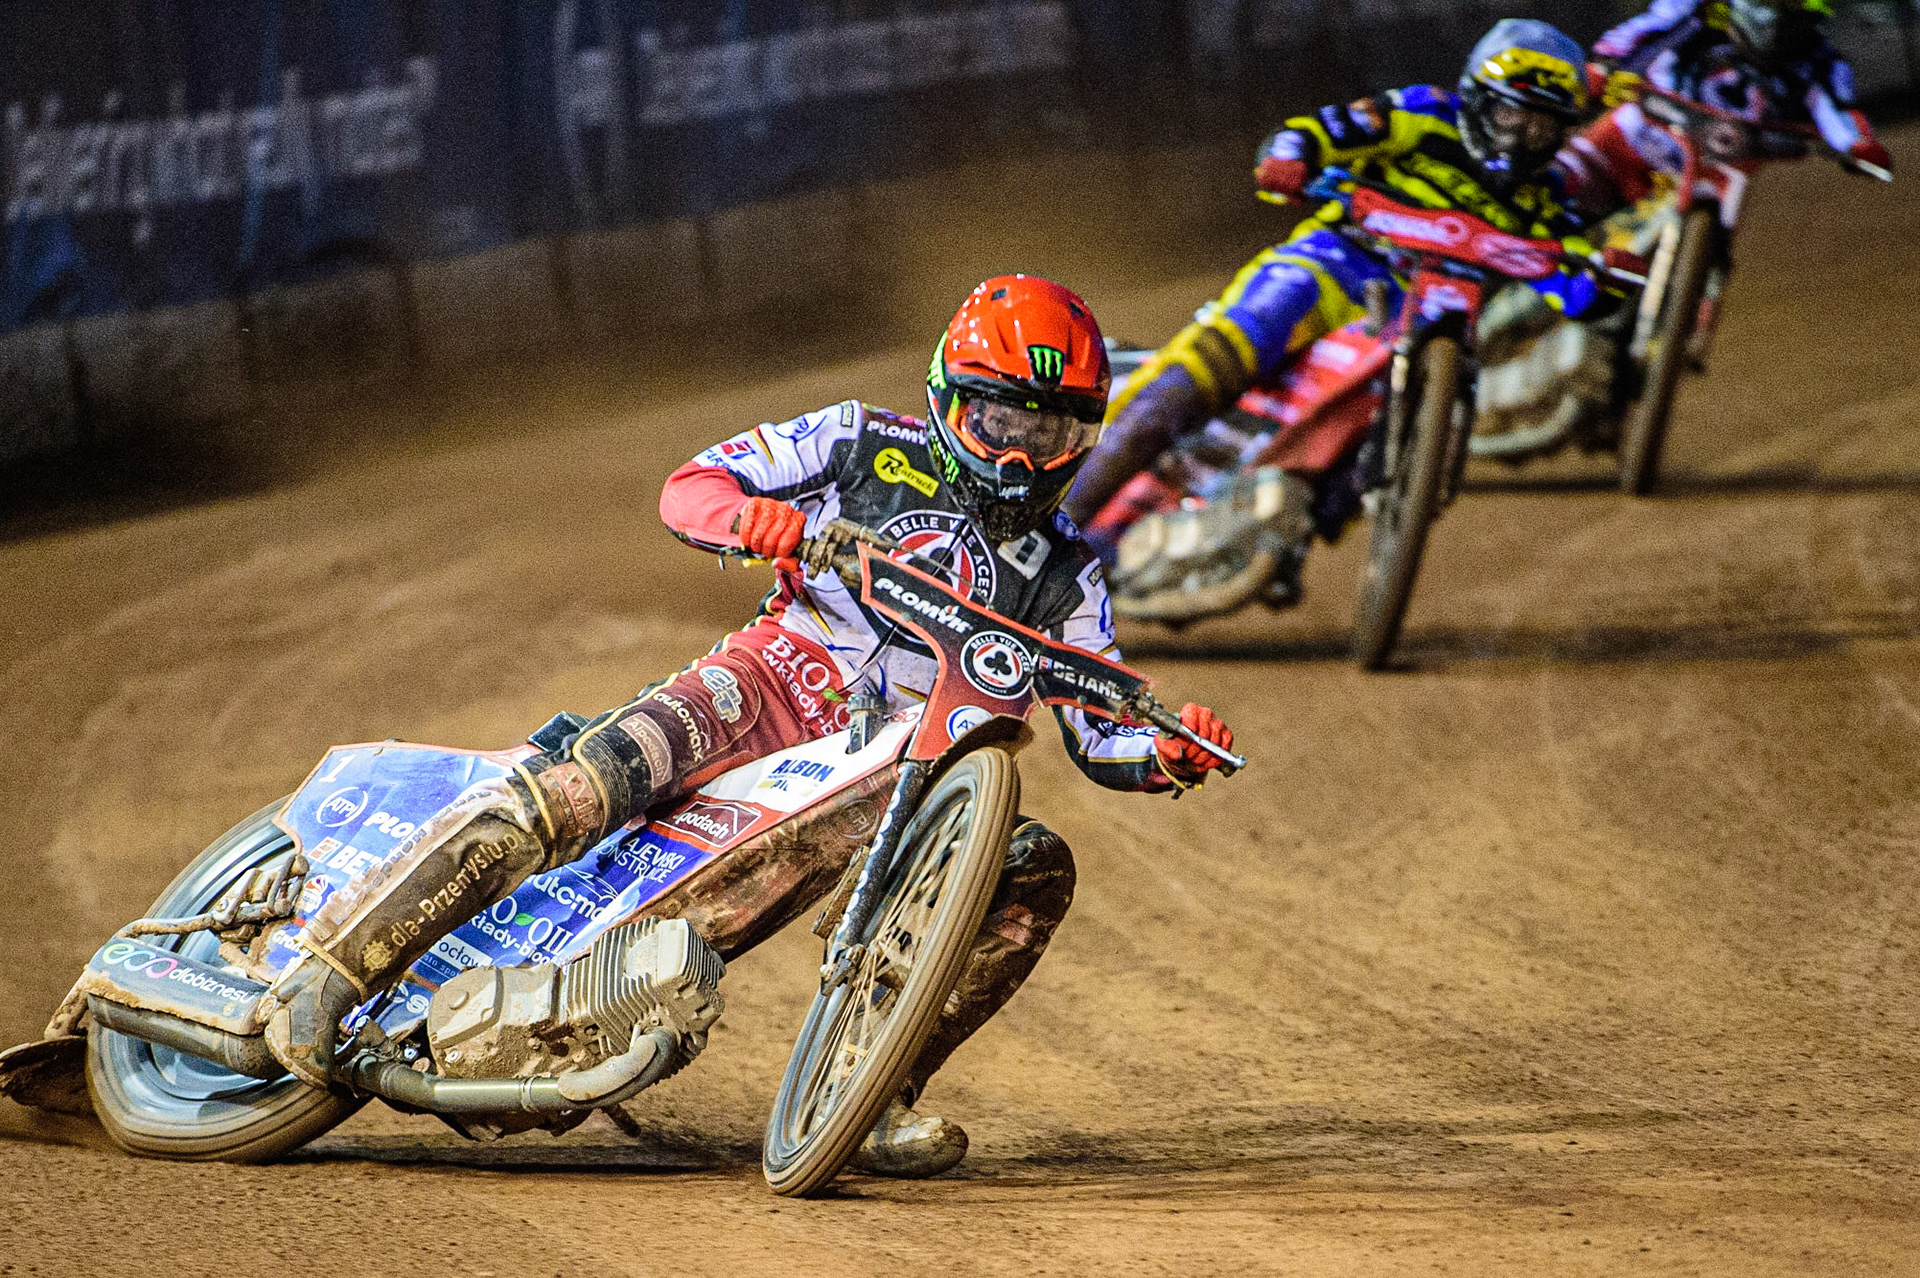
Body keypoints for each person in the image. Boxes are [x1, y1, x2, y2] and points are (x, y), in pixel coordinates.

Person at [261, 275, 1237, 1178]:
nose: (1020, 456)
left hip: (890, 781)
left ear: (1087, 437)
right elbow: (692, 489)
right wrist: (770, 526)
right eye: (996, 422)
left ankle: (876, 1091)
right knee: (584, 784)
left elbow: (1102, 726)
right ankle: (331, 977)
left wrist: (1165, 754)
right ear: (948, 400)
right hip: (769, 684)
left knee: (1032, 865)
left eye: (1050, 433)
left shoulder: (1069, 575)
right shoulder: (860, 444)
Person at [1063, 19, 1599, 567]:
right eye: (1512, 113)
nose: (1520, 136)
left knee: (1348, 475)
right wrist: (1291, 157)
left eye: (1541, 126)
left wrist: (1601, 280)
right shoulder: (1421, 112)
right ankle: (1054, 527)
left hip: (1434, 309)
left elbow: (1580, 286)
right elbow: (1320, 132)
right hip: (1337, 263)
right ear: (1478, 99)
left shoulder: (1548, 201)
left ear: (1561, 134)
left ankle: (1280, 523)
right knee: (1211, 364)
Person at [1559, 0, 1893, 211]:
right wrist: (1602, 65)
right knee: (1559, 181)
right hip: (1633, 136)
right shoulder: (1698, 12)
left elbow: (1838, 112)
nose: (1778, 19)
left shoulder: (1822, 65)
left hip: (1716, 174)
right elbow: (1645, 27)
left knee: (1713, 246)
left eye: (1795, 6)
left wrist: (1858, 146)